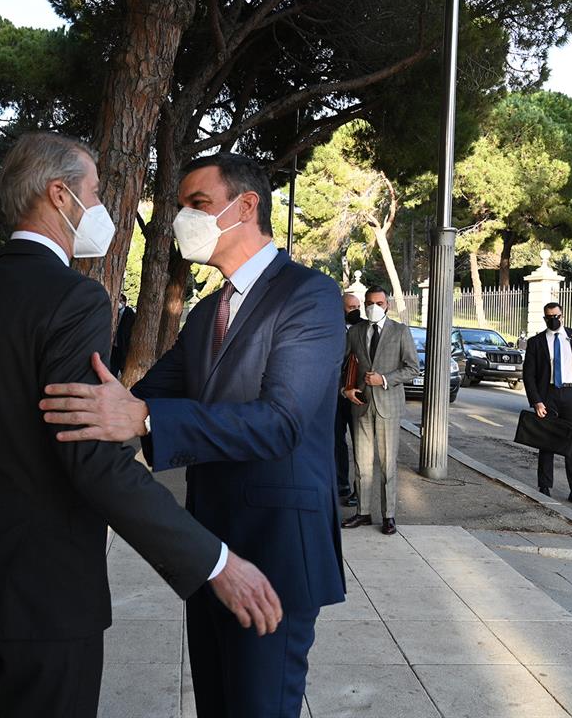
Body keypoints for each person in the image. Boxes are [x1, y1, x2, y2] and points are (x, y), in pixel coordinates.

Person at [0, 132, 281, 718]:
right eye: (97, 192)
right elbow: (92, 459)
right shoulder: (74, 298)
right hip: (43, 597)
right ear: (60, 195)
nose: (103, 207)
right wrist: (215, 562)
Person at [40, 152, 346, 718]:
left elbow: (283, 422)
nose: (184, 219)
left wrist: (144, 420)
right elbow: (144, 397)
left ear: (246, 206)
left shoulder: (309, 295)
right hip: (211, 550)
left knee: (259, 706)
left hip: (276, 547)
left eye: (198, 204)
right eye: (181, 207)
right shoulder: (209, 311)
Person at [340, 286, 419, 535]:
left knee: (387, 464)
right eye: (370, 303)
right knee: (362, 464)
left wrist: (384, 379)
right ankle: (363, 513)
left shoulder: (400, 331)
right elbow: (342, 364)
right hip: (361, 406)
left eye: (379, 302)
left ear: (388, 305)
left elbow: (412, 368)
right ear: (364, 305)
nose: (374, 307)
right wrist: (346, 390)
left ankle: (389, 516)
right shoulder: (355, 331)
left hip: (388, 405)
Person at [522, 302, 572, 508]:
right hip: (548, 395)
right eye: (549, 317)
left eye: (556, 316)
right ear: (545, 318)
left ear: (562, 315)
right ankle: (544, 487)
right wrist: (536, 400)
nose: (553, 319)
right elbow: (528, 374)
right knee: (546, 441)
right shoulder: (536, 342)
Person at [337, 293, 363, 506]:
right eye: (350, 306)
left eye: (357, 306)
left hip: (358, 394)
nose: (355, 309)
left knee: (360, 444)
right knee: (337, 441)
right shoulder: (332, 326)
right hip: (337, 395)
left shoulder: (365, 327)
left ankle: (359, 489)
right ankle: (341, 484)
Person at [110, 292, 136, 378]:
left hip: (122, 346)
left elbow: (127, 331)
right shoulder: (114, 312)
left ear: (124, 302)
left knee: (121, 367)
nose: (118, 303)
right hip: (114, 345)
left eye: (120, 301)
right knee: (112, 368)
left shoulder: (129, 313)